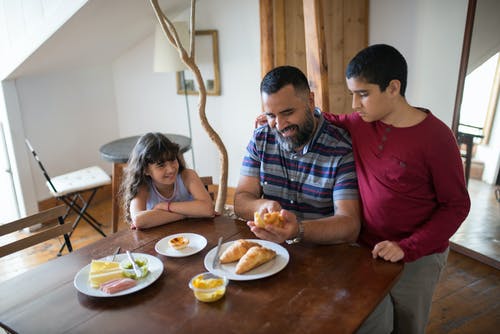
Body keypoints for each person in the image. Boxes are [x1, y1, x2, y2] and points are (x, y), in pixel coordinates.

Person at [256, 45, 471, 334]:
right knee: (371, 320)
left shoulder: (437, 138)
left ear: (393, 88)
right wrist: (276, 119)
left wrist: (407, 248)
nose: (355, 104)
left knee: (408, 325)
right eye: (352, 94)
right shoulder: (360, 122)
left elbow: (456, 206)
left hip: (418, 256)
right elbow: (323, 119)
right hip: (364, 250)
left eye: (364, 94)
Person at [234, 65, 361, 248]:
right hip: (272, 250)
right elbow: (240, 200)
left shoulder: (340, 148)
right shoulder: (261, 138)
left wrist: (298, 230)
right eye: (271, 115)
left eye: (287, 113)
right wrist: (260, 206)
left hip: (324, 255)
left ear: (310, 101)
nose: (279, 125)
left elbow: (350, 225)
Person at [121, 132, 214, 229]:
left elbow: (207, 209)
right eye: (161, 165)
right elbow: (138, 220)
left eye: (173, 159)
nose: (171, 169)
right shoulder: (143, 186)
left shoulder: (188, 176)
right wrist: (188, 214)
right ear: (145, 170)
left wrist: (166, 206)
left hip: (195, 231)